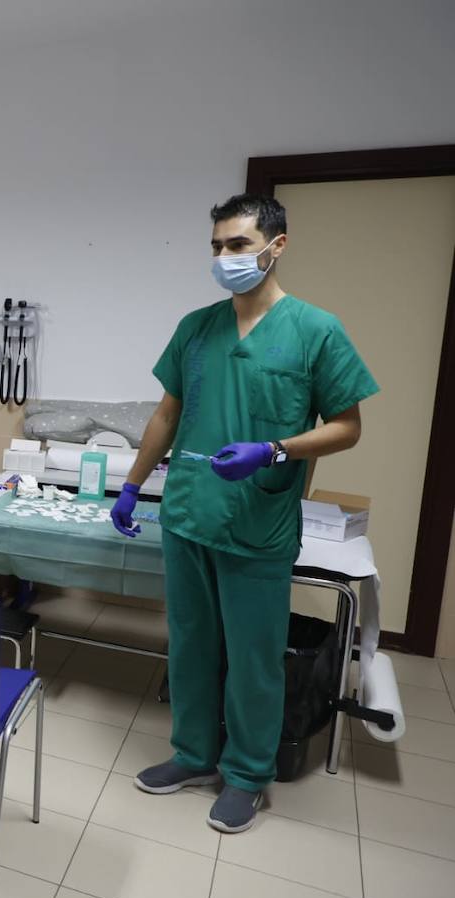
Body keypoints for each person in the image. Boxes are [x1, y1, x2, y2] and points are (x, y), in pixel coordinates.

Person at [110, 194, 378, 833]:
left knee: (254, 657)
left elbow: (347, 427)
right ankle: (194, 755)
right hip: (187, 515)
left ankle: (248, 774)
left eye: (237, 244)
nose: (225, 257)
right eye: (216, 247)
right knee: (193, 646)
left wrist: (274, 450)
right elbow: (166, 414)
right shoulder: (196, 329)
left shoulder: (316, 330)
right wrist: (131, 485)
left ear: (275, 245)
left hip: (257, 524)